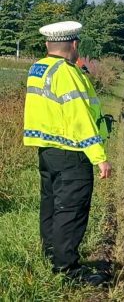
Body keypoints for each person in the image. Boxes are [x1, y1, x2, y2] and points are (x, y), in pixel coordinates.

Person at [23, 21, 112, 286]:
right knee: (71, 211)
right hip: (73, 153)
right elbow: (79, 117)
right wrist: (99, 156)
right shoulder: (67, 73)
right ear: (74, 45)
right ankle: (67, 270)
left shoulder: (39, 67)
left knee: (51, 206)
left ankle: (52, 255)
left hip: (48, 150)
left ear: (47, 45)